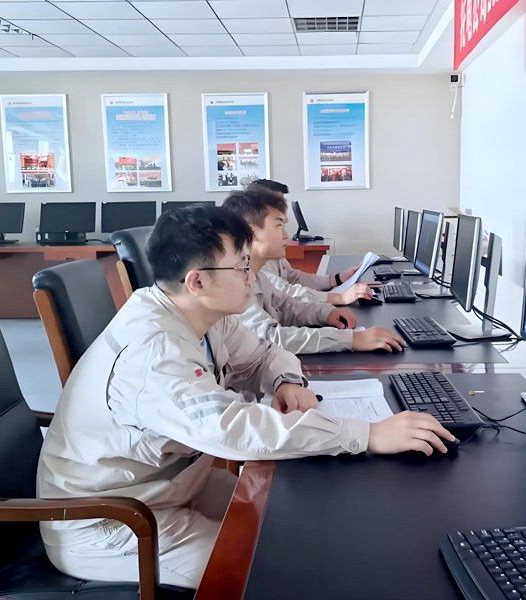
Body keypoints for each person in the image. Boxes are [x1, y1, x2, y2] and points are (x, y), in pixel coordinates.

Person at [37, 206, 453, 589]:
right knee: (275, 572)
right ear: (198, 281)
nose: (251, 278)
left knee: (305, 525)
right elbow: (232, 429)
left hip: (175, 483)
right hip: (113, 520)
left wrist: (287, 381)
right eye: (241, 267)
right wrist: (367, 434)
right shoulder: (154, 354)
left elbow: (264, 354)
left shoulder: (198, 312)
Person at [222, 189, 406, 355]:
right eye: (279, 226)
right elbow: (271, 338)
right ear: (252, 233)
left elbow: (287, 306)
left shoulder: (257, 275)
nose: (286, 235)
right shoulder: (233, 285)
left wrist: (326, 313)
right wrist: (350, 339)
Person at [247, 179, 371, 304]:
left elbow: (294, 278)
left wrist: (337, 279)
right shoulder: (253, 261)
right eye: (277, 207)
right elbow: (285, 293)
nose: (285, 217)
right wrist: (339, 298)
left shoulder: (273, 250)